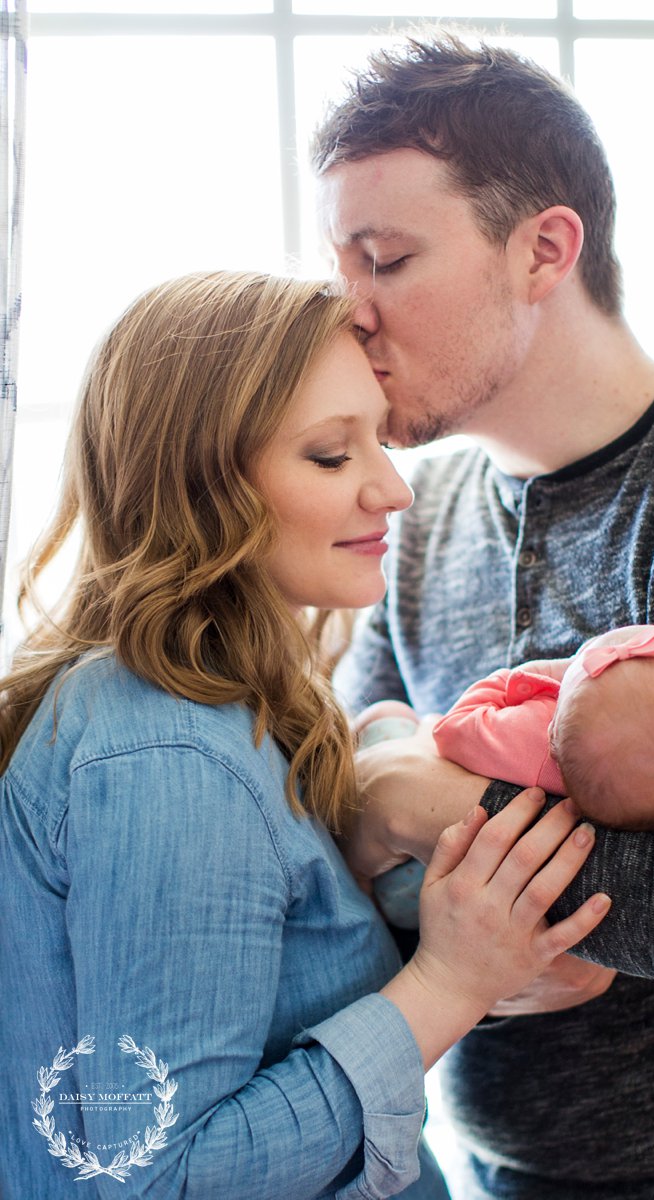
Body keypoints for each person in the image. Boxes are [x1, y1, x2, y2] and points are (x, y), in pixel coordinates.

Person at [312, 33, 654, 1200]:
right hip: (496, 1173)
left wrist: (435, 807)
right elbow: (341, 818)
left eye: (385, 260)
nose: (348, 313)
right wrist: (475, 927)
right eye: (338, 267)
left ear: (543, 249)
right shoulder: (415, 519)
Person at [0, 270, 612, 1200]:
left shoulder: (218, 708)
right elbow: (163, 1177)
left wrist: (474, 958)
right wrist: (448, 985)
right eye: (330, 455)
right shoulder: (169, 755)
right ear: (200, 488)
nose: (394, 490)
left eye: (379, 440)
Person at [359, 624, 654, 929]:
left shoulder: (534, 731)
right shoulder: (622, 778)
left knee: (387, 715)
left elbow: (451, 731)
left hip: (414, 877)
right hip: (467, 894)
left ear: (553, 733)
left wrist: (523, 678)